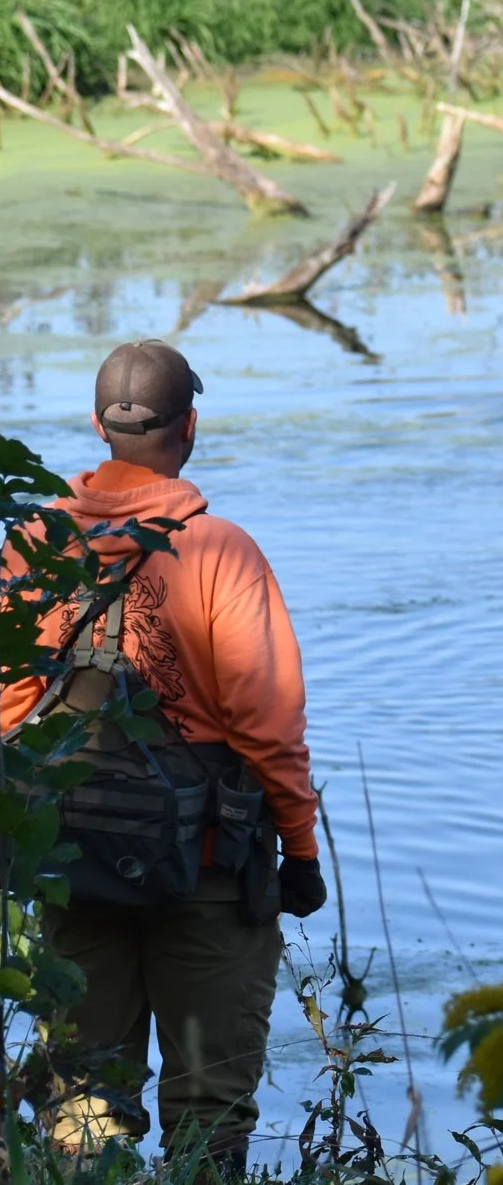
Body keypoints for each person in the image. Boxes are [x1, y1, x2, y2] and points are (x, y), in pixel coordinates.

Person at [1, 339, 326, 1173]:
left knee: (81, 1098)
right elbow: (268, 724)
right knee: (208, 1105)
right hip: (209, 868)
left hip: (70, 856)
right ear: (190, 425)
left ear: (96, 424)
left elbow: (4, 711)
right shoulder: (221, 551)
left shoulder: (33, 545)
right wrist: (299, 849)